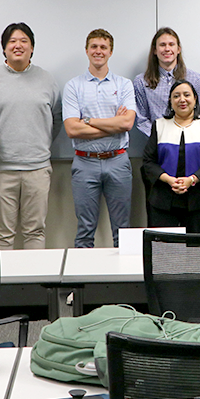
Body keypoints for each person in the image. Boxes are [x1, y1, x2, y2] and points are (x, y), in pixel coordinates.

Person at [0, 22, 62, 250]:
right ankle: (5, 284)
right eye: (12, 41)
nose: (18, 46)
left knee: (35, 231)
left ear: (32, 48)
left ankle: (34, 285)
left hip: (37, 168)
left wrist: (40, 144)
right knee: (3, 234)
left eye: (24, 41)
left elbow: (55, 120)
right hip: (1, 168)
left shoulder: (47, 80)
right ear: (4, 48)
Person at [63, 29, 136, 248]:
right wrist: (112, 125)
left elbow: (127, 124)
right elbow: (71, 130)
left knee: (122, 230)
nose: (98, 51)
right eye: (94, 47)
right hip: (85, 162)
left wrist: (88, 121)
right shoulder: (73, 86)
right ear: (86, 50)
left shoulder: (123, 85)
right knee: (85, 230)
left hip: (118, 160)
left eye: (103, 47)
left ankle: (123, 280)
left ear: (110, 52)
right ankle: (84, 282)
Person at [142, 80, 200, 232]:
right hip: (164, 199)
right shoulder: (159, 125)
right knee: (167, 251)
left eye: (187, 95)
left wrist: (191, 180)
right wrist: (170, 180)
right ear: (170, 101)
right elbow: (148, 161)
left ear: (195, 98)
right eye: (176, 96)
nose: (182, 100)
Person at [134, 27, 200, 137]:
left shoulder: (195, 79)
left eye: (171, 44)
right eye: (162, 45)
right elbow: (142, 120)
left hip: (190, 142)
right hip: (158, 145)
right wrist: (159, 138)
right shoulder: (141, 82)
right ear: (155, 50)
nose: (167, 49)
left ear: (178, 49)